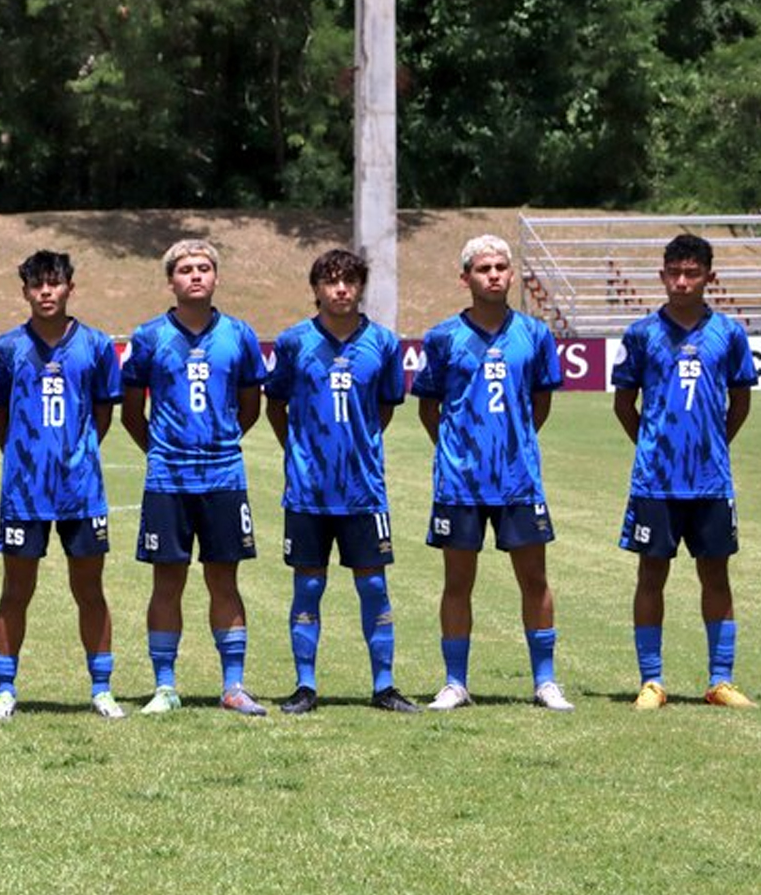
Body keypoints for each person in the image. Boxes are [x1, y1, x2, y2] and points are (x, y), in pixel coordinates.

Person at [412, 236, 573, 711]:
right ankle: (455, 683)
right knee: (458, 582)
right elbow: (429, 407)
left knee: (535, 580)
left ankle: (545, 681)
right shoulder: (443, 337)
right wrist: (457, 450)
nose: (495, 275)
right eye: (483, 268)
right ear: (466, 278)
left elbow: (540, 402)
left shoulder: (535, 334)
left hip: (518, 478)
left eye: (502, 266)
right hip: (459, 481)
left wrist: (514, 444)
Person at [263, 249, 417, 714]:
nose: (341, 289)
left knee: (374, 587)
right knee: (308, 588)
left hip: (363, 490)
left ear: (360, 286)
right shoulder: (293, 342)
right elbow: (276, 404)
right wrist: (299, 451)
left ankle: (384, 686)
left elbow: (387, 405)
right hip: (308, 491)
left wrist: (359, 444)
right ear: (315, 290)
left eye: (350, 280)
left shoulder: (384, 344)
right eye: (331, 282)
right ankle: (305, 686)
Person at [119, 240, 269, 716]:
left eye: (204, 268)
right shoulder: (148, 337)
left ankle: (233, 686)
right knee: (168, 582)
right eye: (185, 270)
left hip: (224, 476)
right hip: (168, 480)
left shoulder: (240, 335)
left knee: (224, 580)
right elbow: (130, 413)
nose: (196, 276)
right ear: (171, 281)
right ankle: (165, 686)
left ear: (216, 277)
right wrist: (164, 452)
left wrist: (219, 444)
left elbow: (251, 406)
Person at [614, 233, 758, 710]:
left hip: (711, 480)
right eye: (673, 272)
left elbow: (740, 400)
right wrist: (653, 447)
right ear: (662, 275)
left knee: (715, 575)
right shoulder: (641, 334)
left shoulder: (729, 333)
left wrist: (712, 447)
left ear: (708, 277)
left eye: (691, 273)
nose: (681, 282)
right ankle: (651, 681)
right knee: (650, 574)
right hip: (655, 480)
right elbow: (623, 403)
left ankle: (721, 680)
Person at [0, 250, 124, 720]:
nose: (46, 292)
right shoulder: (5, 349)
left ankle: (102, 688)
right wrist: (26, 458)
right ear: (24, 291)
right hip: (23, 492)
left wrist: (74, 454)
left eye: (54, 283)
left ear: (69, 288)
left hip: (81, 490)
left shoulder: (97, 345)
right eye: (36, 285)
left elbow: (102, 413)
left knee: (90, 590)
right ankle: (5, 688)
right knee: (15, 591)